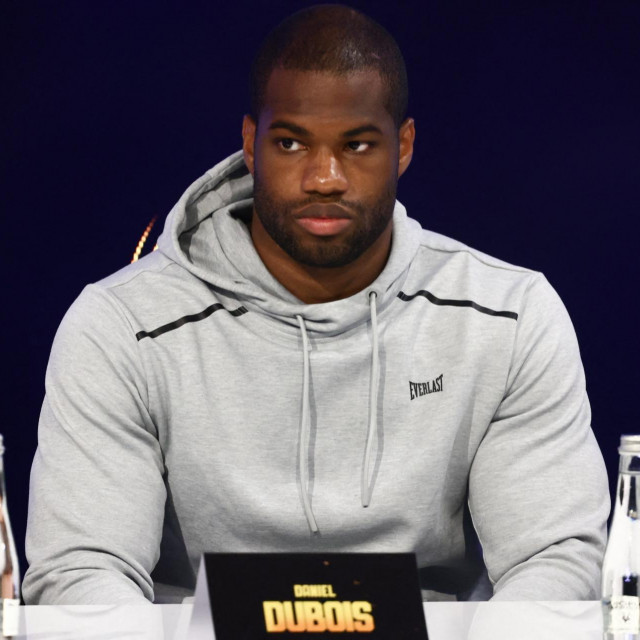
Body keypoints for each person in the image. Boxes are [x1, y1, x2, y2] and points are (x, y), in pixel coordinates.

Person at [24, 5, 609, 605]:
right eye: (292, 142)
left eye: (356, 145)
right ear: (251, 145)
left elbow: (553, 560)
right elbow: (83, 572)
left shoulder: (509, 316)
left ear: (403, 147)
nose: (324, 177)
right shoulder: (123, 326)